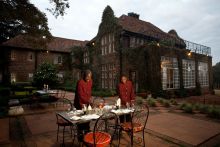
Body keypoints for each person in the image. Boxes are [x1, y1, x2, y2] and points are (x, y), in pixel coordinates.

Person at [74, 69, 92, 141]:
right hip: (79, 103)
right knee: (81, 121)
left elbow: (89, 92)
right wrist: (88, 101)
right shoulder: (80, 82)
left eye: (90, 77)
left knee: (87, 119)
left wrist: (89, 101)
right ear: (84, 76)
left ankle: (87, 135)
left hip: (87, 103)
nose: (88, 78)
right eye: (87, 77)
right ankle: (80, 137)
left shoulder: (90, 81)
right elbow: (80, 95)